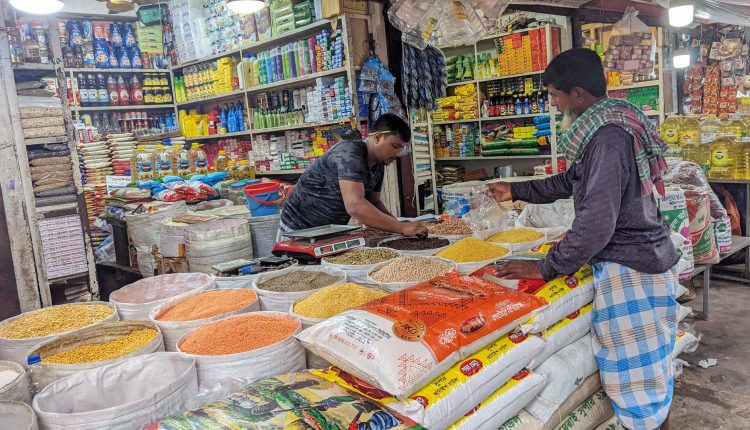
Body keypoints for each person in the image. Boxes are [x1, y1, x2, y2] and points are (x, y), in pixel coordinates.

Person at [490, 48, 678, 430]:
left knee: (636, 377)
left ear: (576, 94)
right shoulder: (609, 123)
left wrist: (546, 267)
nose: (554, 104)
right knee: (649, 367)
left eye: (555, 96)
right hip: (642, 254)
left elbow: (596, 224)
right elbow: (571, 180)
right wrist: (517, 189)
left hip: (632, 265)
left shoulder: (607, 138)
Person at [278, 113, 428, 237]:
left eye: (401, 149)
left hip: (330, 231)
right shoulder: (350, 153)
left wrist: (398, 225)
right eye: (395, 146)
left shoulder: (378, 164)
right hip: (299, 230)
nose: (398, 154)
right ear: (377, 137)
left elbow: (374, 202)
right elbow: (355, 206)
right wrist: (401, 228)